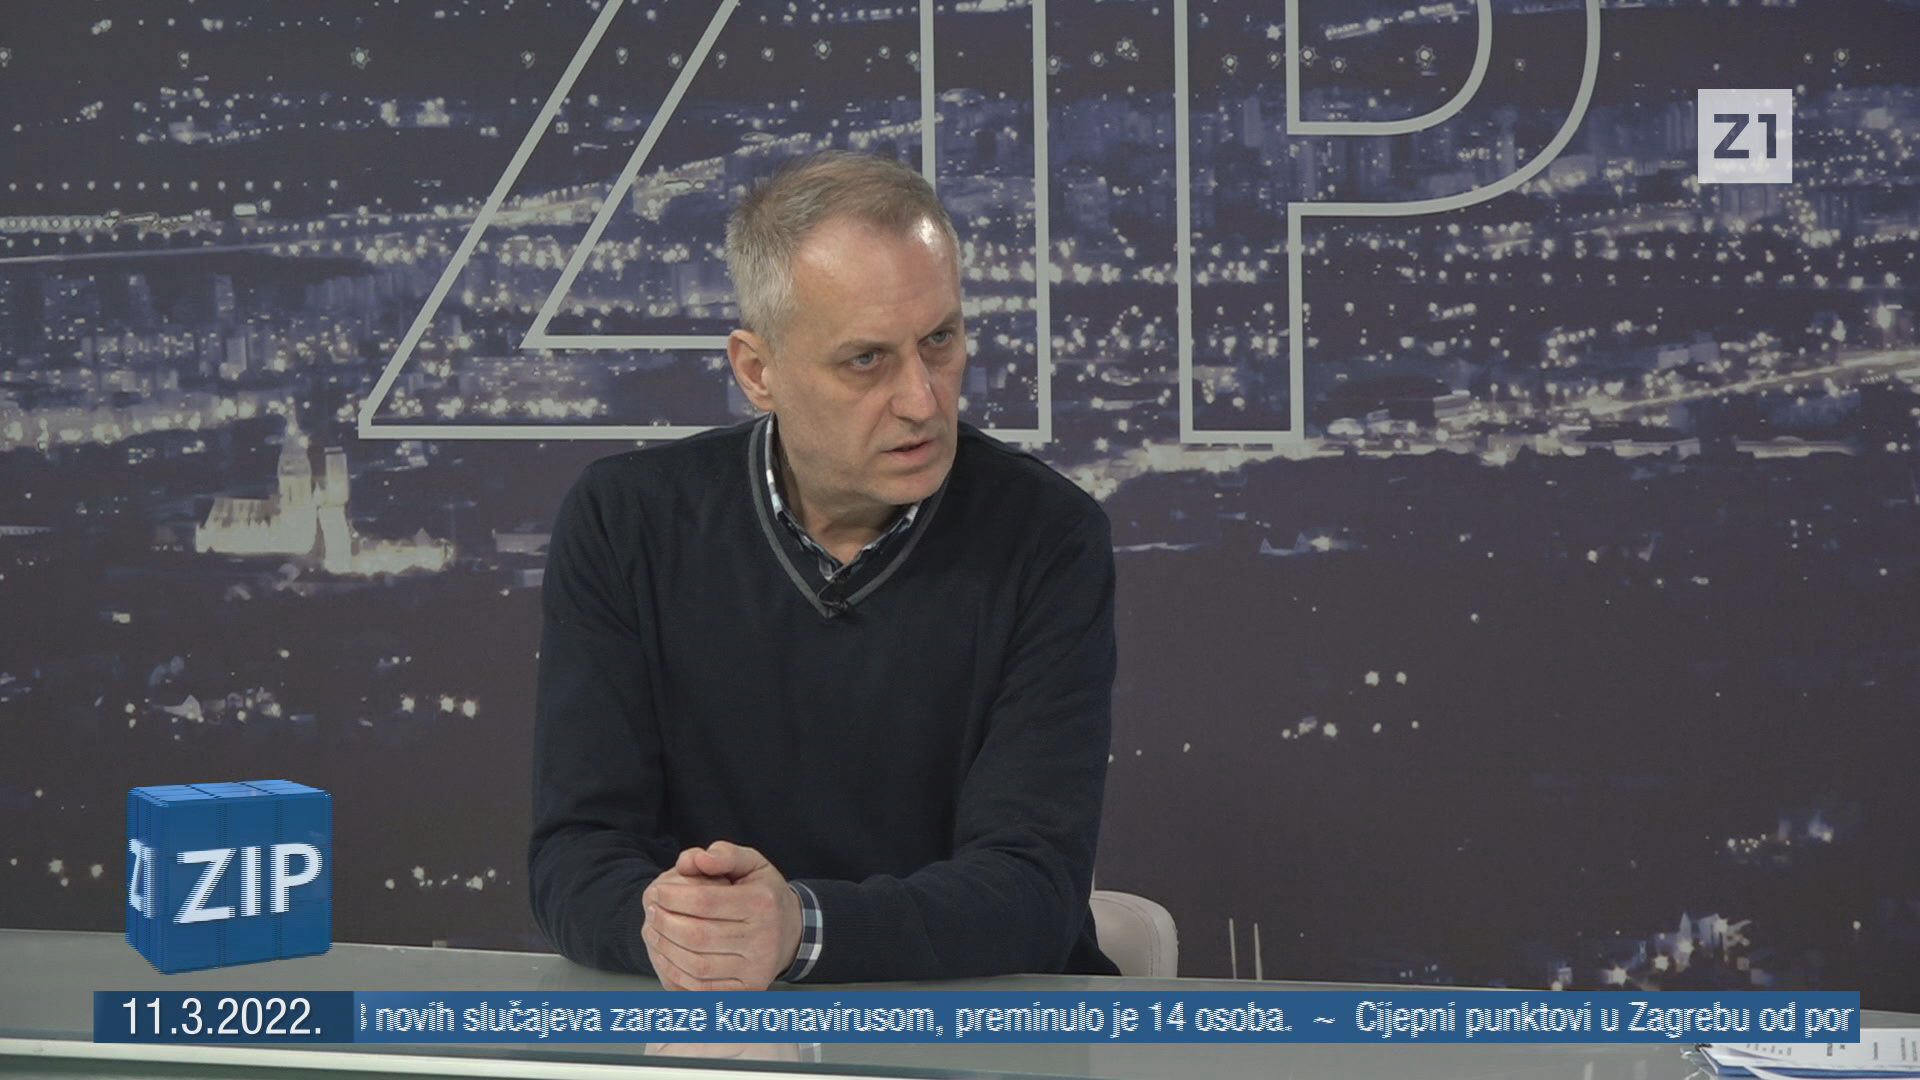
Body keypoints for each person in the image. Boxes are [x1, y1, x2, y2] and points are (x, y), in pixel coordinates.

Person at [528, 150, 1119, 989]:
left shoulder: (1047, 536)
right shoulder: (626, 522)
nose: (922, 399)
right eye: (865, 360)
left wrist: (797, 932)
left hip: (982, 1025)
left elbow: (1031, 887)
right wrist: (686, 931)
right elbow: (576, 855)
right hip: (713, 1032)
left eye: (940, 341)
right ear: (757, 371)